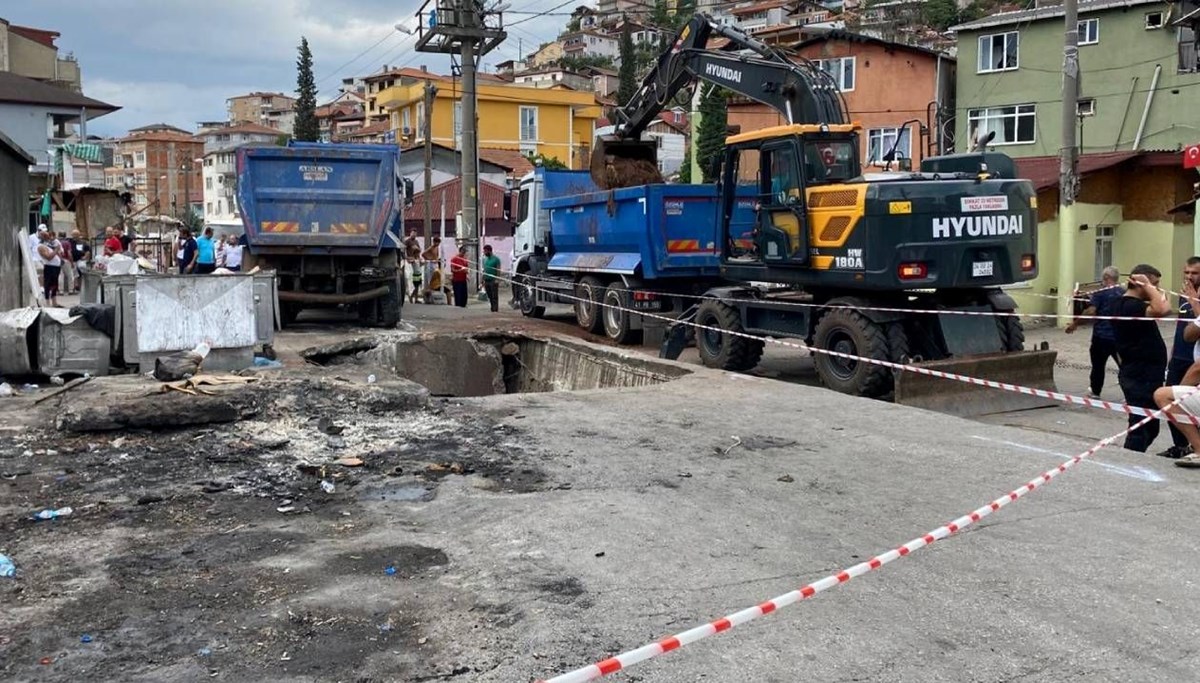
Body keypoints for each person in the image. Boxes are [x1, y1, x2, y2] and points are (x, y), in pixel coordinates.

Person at [1111, 264, 1171, 452]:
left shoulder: (1133, 305)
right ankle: (1131, 460)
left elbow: (1165, 306)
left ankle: (1134, 455)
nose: (1157, 289)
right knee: (1141, 425)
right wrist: (1150, 288)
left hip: (1145, 372)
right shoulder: (1129, 306)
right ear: (1139, 284)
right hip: (1139, 374)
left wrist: (1152, 288)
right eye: (1154, 284)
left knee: (1150, 425)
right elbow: (1162, 309)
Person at [1157, 256, 1200, 459]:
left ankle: (1195, 446)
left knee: (1187, 401)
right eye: (1187, 272)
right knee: (1169, 402)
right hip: (1180, 356)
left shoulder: (1195, 296)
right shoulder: (1184, 294)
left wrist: (1195, 301)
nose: (1190, 276)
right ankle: (1180, 445)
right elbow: (1181, 325)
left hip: (1196, 360)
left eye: (1195, 273)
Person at [1065, 266, 1122, 397]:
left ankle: (1095, 391)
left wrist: (1075, 324)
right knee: (1124, 366)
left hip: (1101, 337)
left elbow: (1090, 311)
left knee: (1098, 365)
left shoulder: (1101, 292)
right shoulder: (1123, 292)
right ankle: (1130, 395)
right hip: (1119, 337)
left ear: (1106, 278)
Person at [1155, 310, 1200, 467]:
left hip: (1190, 366)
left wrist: (1181, 393)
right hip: (1181, 359)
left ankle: (1199, 449)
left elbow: (1189, 334)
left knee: (1163, 396)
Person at [37, 231, 63, 306]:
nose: (49, 238)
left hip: (56, 267)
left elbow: (56, 254)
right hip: (49, 267)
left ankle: (54, 302)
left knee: (55, 284)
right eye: (47, 237)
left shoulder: (49, 245)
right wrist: (56, 249)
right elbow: (48, 257)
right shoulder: (41, 247)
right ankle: (47, 303)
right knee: (48, 284)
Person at [481, 244, 502, 313]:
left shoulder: (496, 259)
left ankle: (495, 309)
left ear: (489, 251)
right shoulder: (485, 259)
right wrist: (482, 279)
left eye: (485, 251)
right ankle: (492, 307)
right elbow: (484, 270)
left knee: (494, 295)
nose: (484, 253)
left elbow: (498, 270)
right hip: (486, 279)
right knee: (489, 295)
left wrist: (497, 279)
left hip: (493, 280)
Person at [58, 231, 76, 295]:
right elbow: (69, 253)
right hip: (66, 260)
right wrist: (72, 262)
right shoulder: (67, 243)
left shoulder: (57, 242)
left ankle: (61, 291)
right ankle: (71, 290)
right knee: (70, 275)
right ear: (65, 236)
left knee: (60, 275)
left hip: (58, 260)